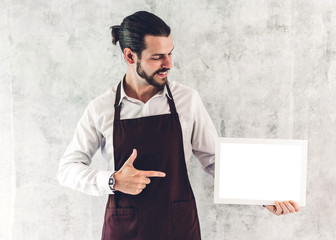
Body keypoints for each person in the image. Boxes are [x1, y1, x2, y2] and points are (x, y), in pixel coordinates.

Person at [57, 11, 300, 240]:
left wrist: (262, 196)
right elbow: (67, 168)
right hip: (125, 229)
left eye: (170, 53)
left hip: (178, 226)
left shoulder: (187, 100)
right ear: (130, 56)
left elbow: (215, 160)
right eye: (157, 57)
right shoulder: (101, 108)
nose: (168, 63)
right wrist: (112, 181)